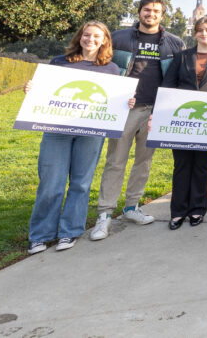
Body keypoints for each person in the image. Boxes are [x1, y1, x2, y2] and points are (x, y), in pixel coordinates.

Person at [25, 22, 136, 254]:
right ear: (80, 37)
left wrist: (126, 103)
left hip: (91, 133)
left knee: (80, 184)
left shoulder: (112, 69)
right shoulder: (59, 63)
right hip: (57, 130)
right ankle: (41, 235)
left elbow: (112, 102)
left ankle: (69, 232)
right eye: (86, 35)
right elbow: (44, 92)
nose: (90, 39)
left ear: (105, 40)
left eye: (96, 36)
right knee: (51, 183)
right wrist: (32, 90)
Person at [91, 0, 184, 241]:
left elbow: (178, 77)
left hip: (155, 111)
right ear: (139, 12)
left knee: (144, 162)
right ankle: (105, 213)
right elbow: (102, 67)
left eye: (156, 11)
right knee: (115, 161)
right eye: (146, 10)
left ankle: (132, 207)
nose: (150, 14)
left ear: (162, 15)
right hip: (125, 109)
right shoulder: (119, 38)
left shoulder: (174, 43)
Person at [160, 16, 207, 229]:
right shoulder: (182, 56)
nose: (204, 34)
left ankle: (197, 209)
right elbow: (168, 86)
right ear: (195, 33)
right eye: (200, 30)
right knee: (182, 164)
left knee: (202, 165)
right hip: (182, 119)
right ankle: (178, 211)